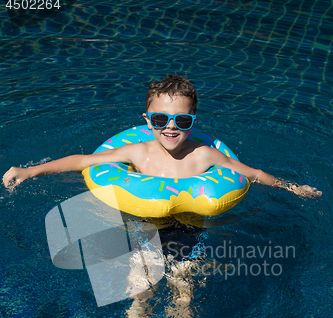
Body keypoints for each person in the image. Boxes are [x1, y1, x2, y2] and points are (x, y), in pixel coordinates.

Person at [2, 74, 322, 198]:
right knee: (139, 290)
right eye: (160, 118)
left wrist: (293, 188)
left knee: (185, 293)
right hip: (143, 228)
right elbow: (83, 160)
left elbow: (251, 173)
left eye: (181, 119)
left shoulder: (203, 155)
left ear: (193, 121)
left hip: (191, 229)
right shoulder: (139, 153)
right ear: (147, 120)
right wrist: (29, 171)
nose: (170, 127)